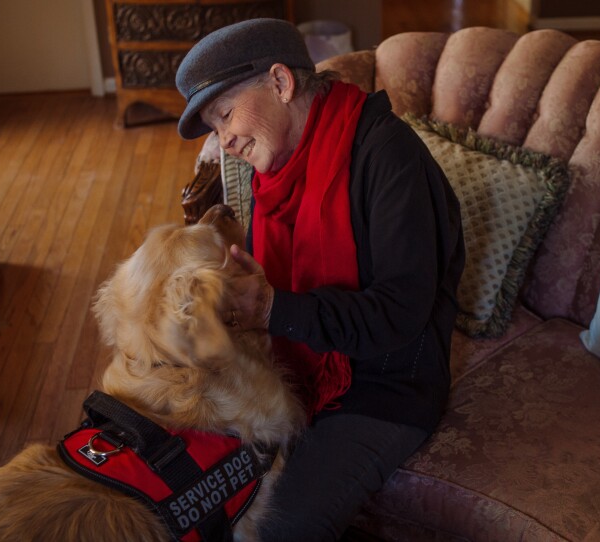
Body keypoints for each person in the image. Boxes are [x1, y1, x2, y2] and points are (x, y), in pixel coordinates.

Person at [174, 18, 464, 541]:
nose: (226, 140)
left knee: (275, 531)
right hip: (295, 369)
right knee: (181, 488)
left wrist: (269, 308)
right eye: (216, 128)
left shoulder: (387, 156)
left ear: (281, 83)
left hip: (383, 390)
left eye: (225, 115)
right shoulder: (275, 170)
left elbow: (401, 312)